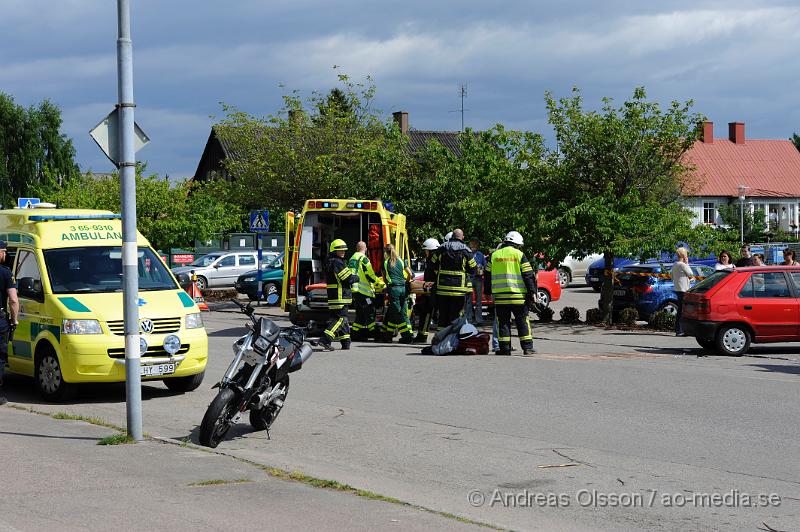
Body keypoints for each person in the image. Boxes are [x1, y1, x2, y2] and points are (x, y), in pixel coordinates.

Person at [488, 231, 537, 356]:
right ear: (516, 244)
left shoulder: (494, 255)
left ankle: (504, 349)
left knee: (503, 323)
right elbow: (528, 275)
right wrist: (532, 292)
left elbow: (487, 275)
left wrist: (487, 292)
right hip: (518, 297)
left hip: (500, 297)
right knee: (522, 322)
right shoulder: (519, 255)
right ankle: (528, 348)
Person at [426, 229, 477, 328]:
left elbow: (431, 265)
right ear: (462, 237)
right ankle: (452, 341)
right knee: (455, 317)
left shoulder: (441, 249)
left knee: (443, 316)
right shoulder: (466, 250)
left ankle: (440, 340)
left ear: (452, 236)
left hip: (442, 289)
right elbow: (473, 269)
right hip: (458, 290)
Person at [319, 239, 358, 351]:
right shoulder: (338, 263)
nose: (343, 252)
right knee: (340, 319)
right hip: (341, 296)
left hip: (334, 296)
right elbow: (348, 279)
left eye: (344, 250)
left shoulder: (330, 262)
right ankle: (325, 339)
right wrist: (356, 277)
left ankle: (345, 342)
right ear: (334, 251)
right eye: (340, 250)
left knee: (342, 320)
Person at [381, 244, 414, 343]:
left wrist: (388, 285)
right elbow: (410, 274)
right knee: (400, 312)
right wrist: (406, 281)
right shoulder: (401, 260)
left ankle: (406, 336)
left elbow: (384, 278)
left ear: (385, 252)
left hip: (393, 289)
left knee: (397, 313)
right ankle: (388, 335)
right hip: (403, 288)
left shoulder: (385, 263)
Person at [348, 241, 380, 341]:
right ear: (365, 249)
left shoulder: (352, 258)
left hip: (355, 291)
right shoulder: (364, 259)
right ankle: (375, 334)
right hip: (364, 292)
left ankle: (355, 333)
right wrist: (380, 284)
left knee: (361, 313)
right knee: (370, 312)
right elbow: (370, 275)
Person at [0, 241, 19, 405]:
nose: (5, 255)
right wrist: (14, 320)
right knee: (0, 356)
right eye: (4, 251)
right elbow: (13, 300)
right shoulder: (5, 273)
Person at [414, 238, 439, 343]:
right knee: (426, 313)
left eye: (426, 250)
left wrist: (432, 285)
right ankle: (422, 335)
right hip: (429, 291)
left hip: (433, 291)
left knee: (430, 313)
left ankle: (423, 336)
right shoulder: (431, 260)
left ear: (430, 250)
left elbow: (437, 275)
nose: (425, 252)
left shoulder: (435, 260)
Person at [671, 247, 693, 337]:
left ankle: (678, 329)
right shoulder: (683, 265)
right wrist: (687, 262)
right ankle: (680, 330)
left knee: (680, 310)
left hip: (677, 288)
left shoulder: (675, 264)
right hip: (684, 289)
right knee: (683, 311)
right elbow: (691, 274)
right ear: (684, 255)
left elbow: (672, 276)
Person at [465, 239, 486, 324]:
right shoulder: (467, 254)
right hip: (469, 278)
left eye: (475, 244)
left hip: (478, 279)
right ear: (469, 245)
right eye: (472, 244)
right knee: (468, 300)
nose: (474, 246)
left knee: (479, 300)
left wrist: (481, 268)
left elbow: (484, 265)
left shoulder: (480, 254)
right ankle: (469, 319)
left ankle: (479, 319)